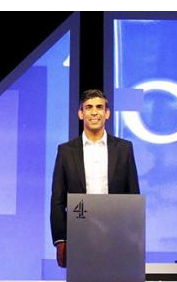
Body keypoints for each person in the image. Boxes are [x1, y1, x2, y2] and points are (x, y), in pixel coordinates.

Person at [50, 89, 140, 267]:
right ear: (80, 113)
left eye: (99, 107)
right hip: (79, 232)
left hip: (118, 234)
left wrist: (135, 236)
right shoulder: (66, 151)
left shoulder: (124, 149)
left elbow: (133, 195)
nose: (94, 112)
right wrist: (60, 240)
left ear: (107, 113)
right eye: (88, 107)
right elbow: (57, 199)